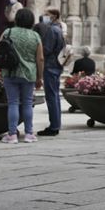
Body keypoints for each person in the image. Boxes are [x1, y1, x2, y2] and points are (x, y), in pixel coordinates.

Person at [0, 8, 43, 144]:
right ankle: (29, 134)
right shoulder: (35, 36)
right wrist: (39, 77)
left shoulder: (8, 32)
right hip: (29, 73)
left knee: (13, 103)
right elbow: (40, 58)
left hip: (10, 72)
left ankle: (12, 135)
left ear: (17, 19)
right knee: (28, 103)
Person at [36, 8, 68, 137]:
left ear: (54, 16)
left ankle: (54, 126)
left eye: (47, 15)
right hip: (56, 65)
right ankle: (56, 124)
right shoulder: (59, 29)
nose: (44, 17)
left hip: (50, 66)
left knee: (51, 96)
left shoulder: (52, 30)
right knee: (54, 96)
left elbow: (47, 49)